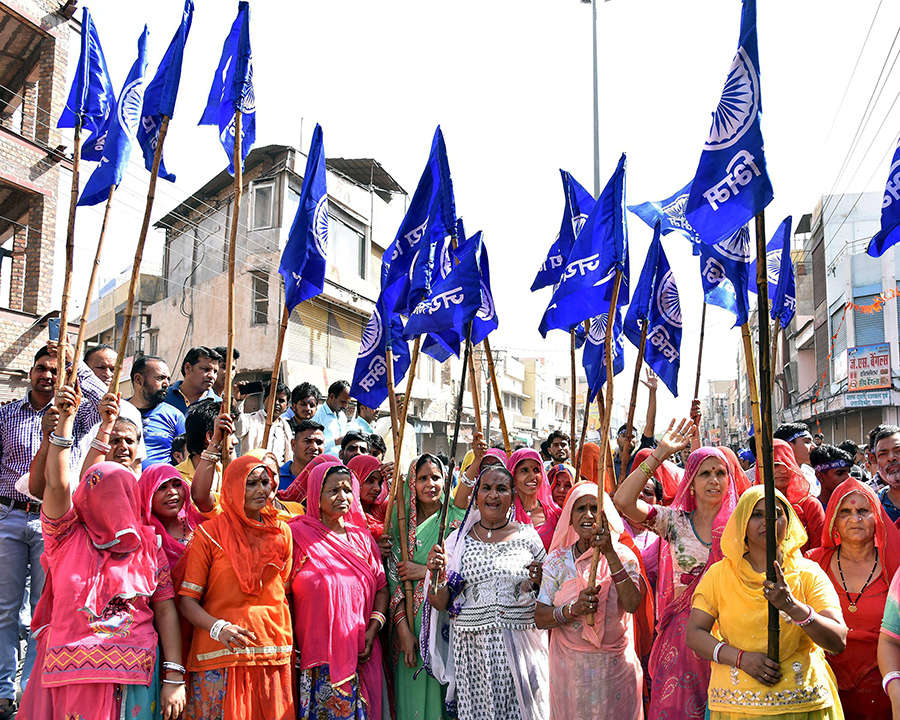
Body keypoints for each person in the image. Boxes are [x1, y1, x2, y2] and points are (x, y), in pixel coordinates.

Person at [19, 382, 185, 720]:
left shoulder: (149, 546)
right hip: (74, 677)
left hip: (137, 676)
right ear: (85, 497)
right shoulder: (65, 536)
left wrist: (174, 676)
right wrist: (66, 423)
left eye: (122, 492)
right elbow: (57, 484)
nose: (113, 503)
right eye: (99, 490)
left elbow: (166, 612)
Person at [0, 343, 105, 717]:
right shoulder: (7, 413)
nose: (47, 374)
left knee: (45, 610)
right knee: (5, 609)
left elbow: (106, 398)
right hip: (10, 515)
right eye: (41, 368)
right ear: (30, 372)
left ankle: (32, 688)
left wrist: (77, 363)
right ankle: (3, 689)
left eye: (54, 369)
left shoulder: (74, 413)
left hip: (57, 525)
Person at [614, 420, 741, 720]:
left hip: (730, 635)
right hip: (681, 640)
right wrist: (659, 454)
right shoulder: (675, 522)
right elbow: (622, 500)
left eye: (720, 473)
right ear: (691, 482)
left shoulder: (742, 526)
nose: (713, 480)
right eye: (704, 473)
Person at [686, 485, 848, 719]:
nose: (768, 521)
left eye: (776, 514)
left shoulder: (807, 573)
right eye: (757, 514)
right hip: (736, 706)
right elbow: (694, 634)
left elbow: (838, 640)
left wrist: (792, 607)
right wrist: (741, 659)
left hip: (804, 705)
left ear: (788, 521)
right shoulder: (719, 575)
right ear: (742, 522)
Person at [424, 464, 550, 720]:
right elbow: (441, 601)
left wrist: (540, 582)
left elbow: (547, 592)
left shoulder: (528, 537)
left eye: (501, 489)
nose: (493, 495)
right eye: (487, 488)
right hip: (473, 649)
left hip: (521, 647)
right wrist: (434, 573)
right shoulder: (458, 542)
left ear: (512, 496)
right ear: (476, 496)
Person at [179, 454, 294, 719]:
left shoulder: (282, 532)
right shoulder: (209, 534)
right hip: (221, 653)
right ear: (232, 487)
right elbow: (187, 600)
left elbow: (283, 592)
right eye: (251, 483)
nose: (261, 490)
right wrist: (219, 628)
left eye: (265, 482)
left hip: (272, 651)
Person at [535, 482, 645, 720]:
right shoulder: (557, 561)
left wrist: (609, 554)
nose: (588, 515)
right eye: (580, 509)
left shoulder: (624, 557)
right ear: (570, 519)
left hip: (616, 669)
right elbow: (540, 617)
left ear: (606, 516)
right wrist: (572, 610)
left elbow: (632, 604)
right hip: (571, 672)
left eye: (595, 508)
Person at [289, 461, 388, 720]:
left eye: (347, 490)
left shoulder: (361, 538)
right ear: (316, 495)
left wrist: (372, 629)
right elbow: (281, 593)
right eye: (333, 491)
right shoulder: (297, 535)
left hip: (362, 653)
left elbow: (381, 588)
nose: (342, 497)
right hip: (316, 659)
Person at [808, 478, 899, 719]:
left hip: (885, 690)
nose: (855, 518)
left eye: (863, 511)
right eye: (845, 512)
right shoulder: (813, 564)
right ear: (833, 522)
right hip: (824, 689)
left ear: (877, 517)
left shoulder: (896, 566)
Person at [390, 454, 464, 720]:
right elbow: (392, 581)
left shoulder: (457, 520)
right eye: (422, 478)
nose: (430, 484)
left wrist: (424, 573)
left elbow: (464, 573)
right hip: (410, 626)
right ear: (412, 482)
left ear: (446, 481)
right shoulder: (399, 523)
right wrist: (405, 632)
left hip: (446, 628)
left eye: (436, 477)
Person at [137, 463, 205, 573]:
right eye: (162, 487)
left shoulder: (199, 524)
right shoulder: (140, 536)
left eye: (177, 485)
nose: (172, 492)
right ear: (147, 493)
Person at [765, 439, 826, 552]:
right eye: (776, 465)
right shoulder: (752, 506)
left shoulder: (810, 505)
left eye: (787, 464)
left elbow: (818, 552)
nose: (783, 470)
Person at [129, 356, 186, 469]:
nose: (166, 384)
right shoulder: (118, 411)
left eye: (168, 379)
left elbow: (186, 458)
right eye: (160, 378)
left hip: (161, 484)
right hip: (123, 482)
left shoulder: (175, 416)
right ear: (138, 379)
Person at [507, 447, 562, 550]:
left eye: (536, 470)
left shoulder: (555, 514)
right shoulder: (504, 513)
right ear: (513, 476)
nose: (532, 476)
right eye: (524, 470)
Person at [614, 369, 658, 480]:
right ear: (617, 439)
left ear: (637, 441)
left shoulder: (640, 459)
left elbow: (650, 425)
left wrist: (652, 392)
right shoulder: (608, 463)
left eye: (632, 436)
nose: (628, 439)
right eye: (624, 436)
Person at [233, 381, 292, 463]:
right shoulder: (251, 419)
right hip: (253, 471)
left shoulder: (285, 427)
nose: (276, 403)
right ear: (264, 399)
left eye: (281, 401)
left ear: (286, 406)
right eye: (273, 398)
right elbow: (239, 430)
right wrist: (239, 402)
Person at [176, 399, 221, 486]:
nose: (235, 441)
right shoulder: (176, 479)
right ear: (210, 437)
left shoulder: (225, 471)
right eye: (228, 434)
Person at [164, 346, 221, 414]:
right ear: (187, 368)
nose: (212, 376)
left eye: (215, 372)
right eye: (206, 369)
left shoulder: (219, 405)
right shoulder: (163, 397)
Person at [347, 454, 388, 540]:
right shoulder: (342, 516)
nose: (377, 488)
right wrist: (374, 548)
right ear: (355, 480)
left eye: (380, 483)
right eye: (370, 481)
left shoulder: (383, 510)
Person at [373, 392, 418, 470]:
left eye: (403, 402)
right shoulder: (383, 421)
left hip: (403, 474)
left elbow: (412, 455)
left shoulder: (410, 429)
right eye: (397, 402)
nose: (401, 405)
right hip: (387, 470)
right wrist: (396, 419)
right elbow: (376, 440)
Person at [775, 422, 821, 496]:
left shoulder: (811, 473)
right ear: (788, 446)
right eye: (807, 442)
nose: (814, 447)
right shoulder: (778, 477)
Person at [278, 420, 324, 492]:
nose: (314, 447)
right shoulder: (275, 478)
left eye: (319, 442)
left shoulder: (326, 480)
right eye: (308, 441)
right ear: (293, 444)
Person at [311, 380, 350, 455]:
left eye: (348, 403)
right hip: (322, 463)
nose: (346, 406)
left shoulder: (342, 416)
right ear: (332, 396)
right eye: (343, 402)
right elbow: (311, 444)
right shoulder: (317, 414)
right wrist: (335, 442)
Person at [872, 426, 900, 521]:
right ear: (875, 461)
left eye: (898, 450)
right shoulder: (872, 507)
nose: (891, 458)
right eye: (883, 454)